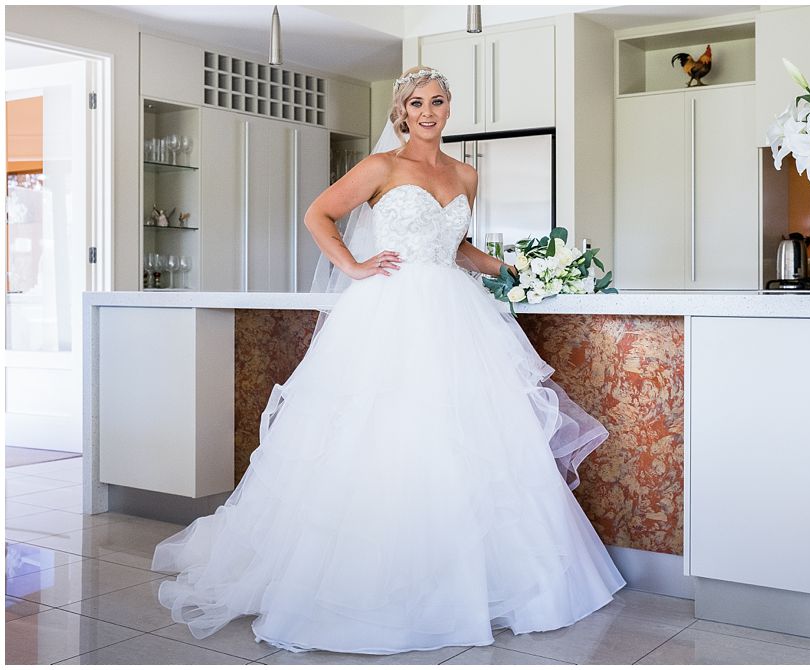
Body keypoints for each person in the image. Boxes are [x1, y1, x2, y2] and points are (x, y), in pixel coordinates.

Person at [151, 66, 626, 655]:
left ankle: (477, 584)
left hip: (457, 315)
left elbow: (454, 249)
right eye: (417, 103)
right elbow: (318, 215)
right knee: (384, 434)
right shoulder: (381, 167)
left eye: (439, 101)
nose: (428, 111)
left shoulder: (465, 175)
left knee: (465, 440)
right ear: (401, 112)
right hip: (389, 312)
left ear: (450, 108)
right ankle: (372, 589)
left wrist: (510, 270)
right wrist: (352, 266)